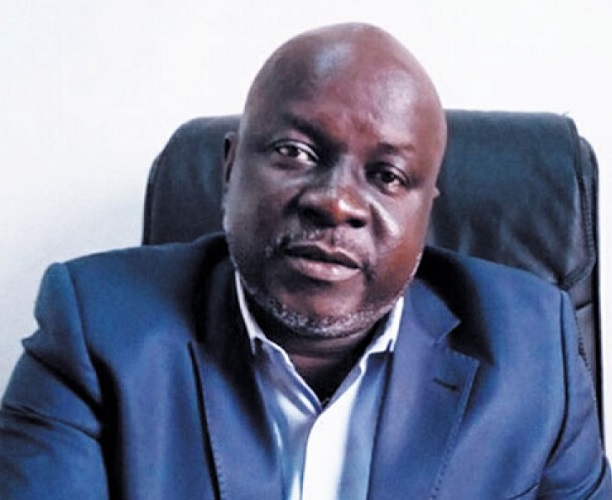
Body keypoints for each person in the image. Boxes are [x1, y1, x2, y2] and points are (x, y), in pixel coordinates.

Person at [0, 23, 610, 499]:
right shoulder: (96, 330)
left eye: (388, 175)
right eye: (295, 152)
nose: (336, 202)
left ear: (427, 210)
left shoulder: (534, 353)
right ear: (229, 169)